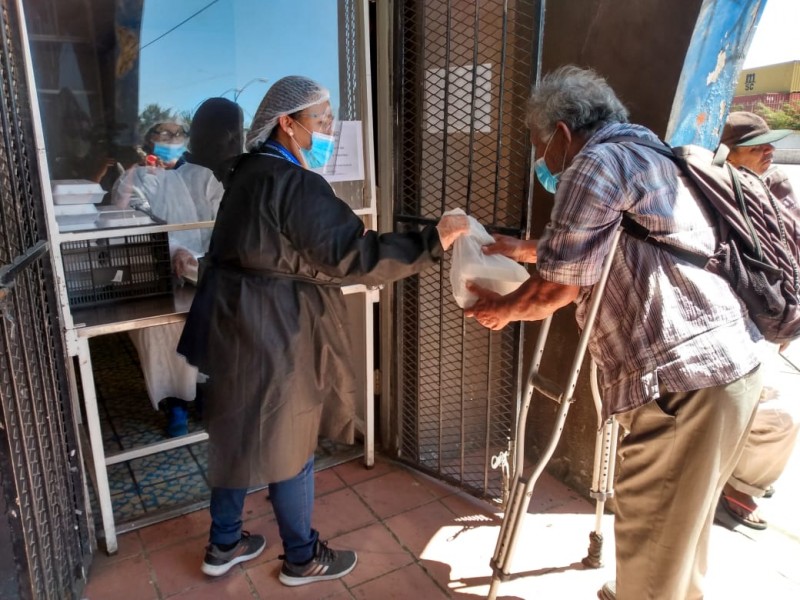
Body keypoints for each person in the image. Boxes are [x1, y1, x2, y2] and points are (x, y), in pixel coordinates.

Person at [464, 66, 763, 600]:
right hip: (731, 369)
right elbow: (617, 239)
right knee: (680, 535)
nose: (544, 163)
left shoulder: (591, 162)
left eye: (541, 146)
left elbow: (556, 290)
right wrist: (525, 249)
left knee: (654, 535)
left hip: (681, 384)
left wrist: (503, 311)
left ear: (560, 134)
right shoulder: (650, 151)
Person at [176, 76, 468, 582]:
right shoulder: (295, 183)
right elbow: (352, 256)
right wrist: (432, 242)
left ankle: (223, 544)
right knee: (292, 437)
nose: (330, 129)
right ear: (286, 124)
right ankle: (301, 556)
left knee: (235, 432)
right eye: (321, 119)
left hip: (230, 321)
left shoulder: (244, 174)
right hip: (274, 328)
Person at [115, 101, 243, 436]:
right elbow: (131, 222)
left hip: (204, 274)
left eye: (179, 133)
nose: (172, 138)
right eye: (164, 132)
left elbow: (225, 215)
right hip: (158, 278)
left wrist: (208, 257)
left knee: (205, 335)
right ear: (149, 138)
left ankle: (202, 394)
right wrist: (173, 251)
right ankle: (175, 404)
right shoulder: (138, 177)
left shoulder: (204, 176)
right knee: (163, 339)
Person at [715, 111, 800, 530]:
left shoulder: (774, 188)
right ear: (728, 155)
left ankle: (741, 485)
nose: (771, 152)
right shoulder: (713, 191)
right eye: (757, 146)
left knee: (782, 418)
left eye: (771, 144)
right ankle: (724, 484)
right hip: (723, 328)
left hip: (765, 322)